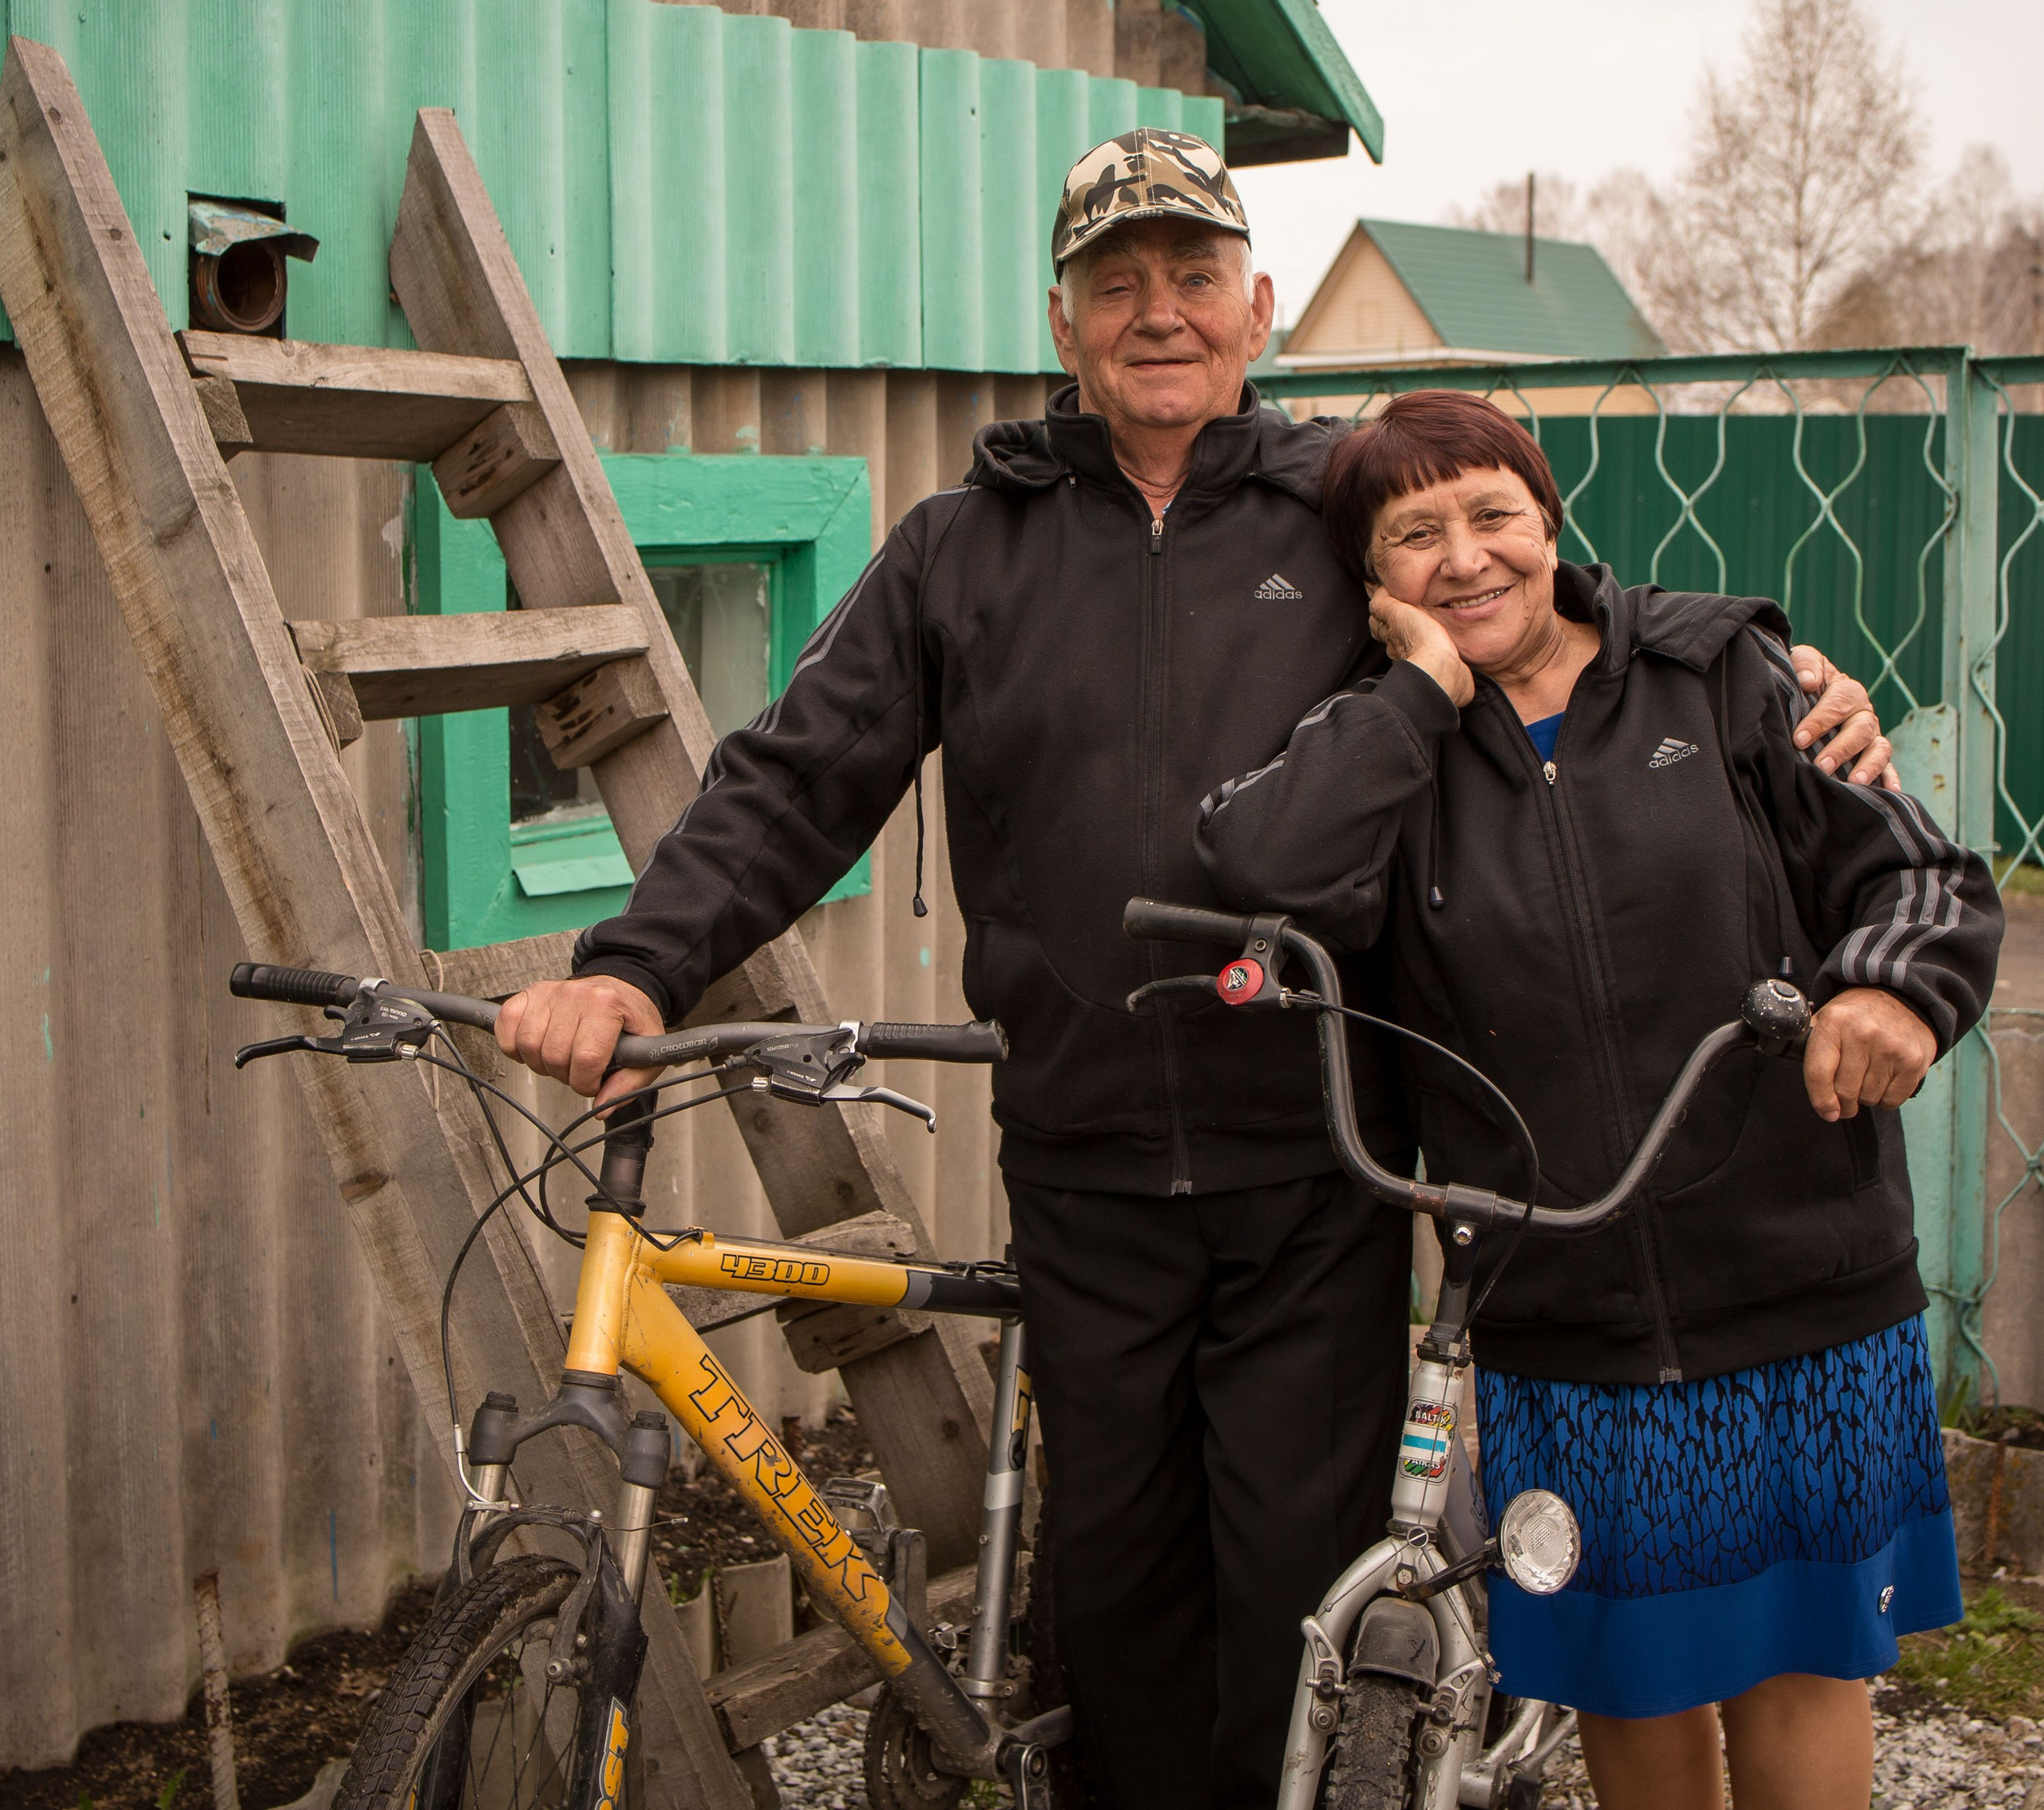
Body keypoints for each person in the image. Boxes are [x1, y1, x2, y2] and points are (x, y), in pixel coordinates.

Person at [493, 140, 1895, 1808]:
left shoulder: (1342, 513)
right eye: (1113, 281)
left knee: (1297, 1620)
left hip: (1311, 1167)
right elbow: (796, 773)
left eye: (1188, 275)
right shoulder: (961, 550)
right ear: (1063, 321)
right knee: (1124, 1615)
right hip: (1083, 1170)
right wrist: (637, 963)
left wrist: (1774, 667)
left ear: (1254, 305)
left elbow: (1531, 604)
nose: (1155, 311)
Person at [1194, 390, 2001, 1810]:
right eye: (1413, 536)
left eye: (1492, 513)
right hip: (1565, 1317)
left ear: (1551, 519)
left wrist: (1887, 990)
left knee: (1802, 1671)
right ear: (1375, 587)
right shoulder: (1382, 742)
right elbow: (1263, 868)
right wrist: (1424, 692)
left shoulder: (1726, 675)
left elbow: (1916, 874)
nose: (1465, 557)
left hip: (1799, 1280)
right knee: (1627, 1676)